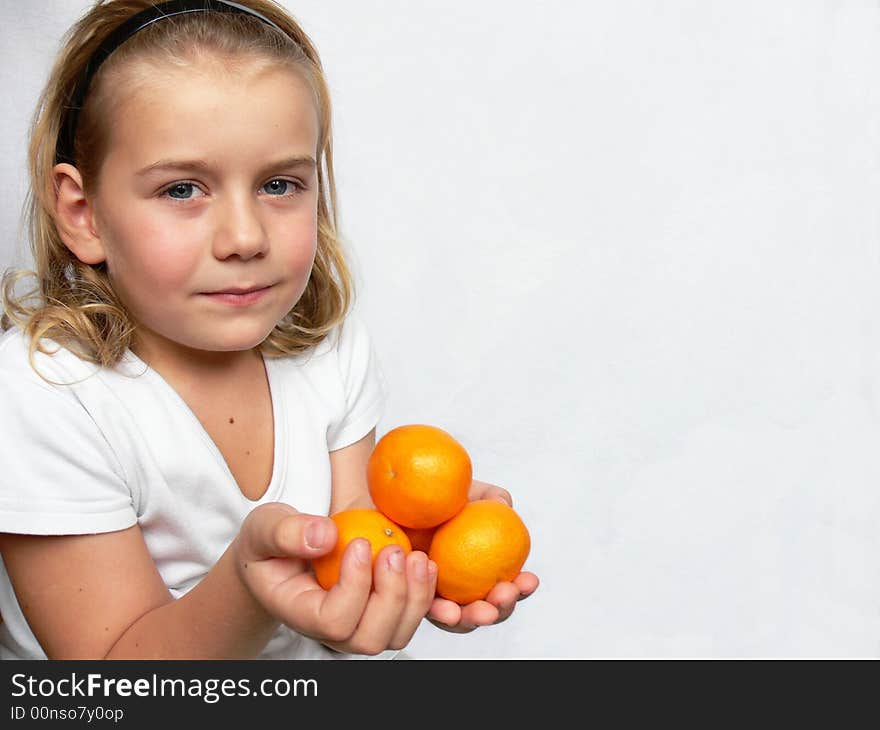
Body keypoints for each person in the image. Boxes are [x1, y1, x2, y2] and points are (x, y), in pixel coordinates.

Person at [0, 0, 538, 660]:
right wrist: (249, 586)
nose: (246, 237)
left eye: (279, 184)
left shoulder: (327, 351)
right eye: (181, 190)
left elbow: (354, 552)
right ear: (83, 214)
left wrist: (417, 557)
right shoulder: (45, 393)